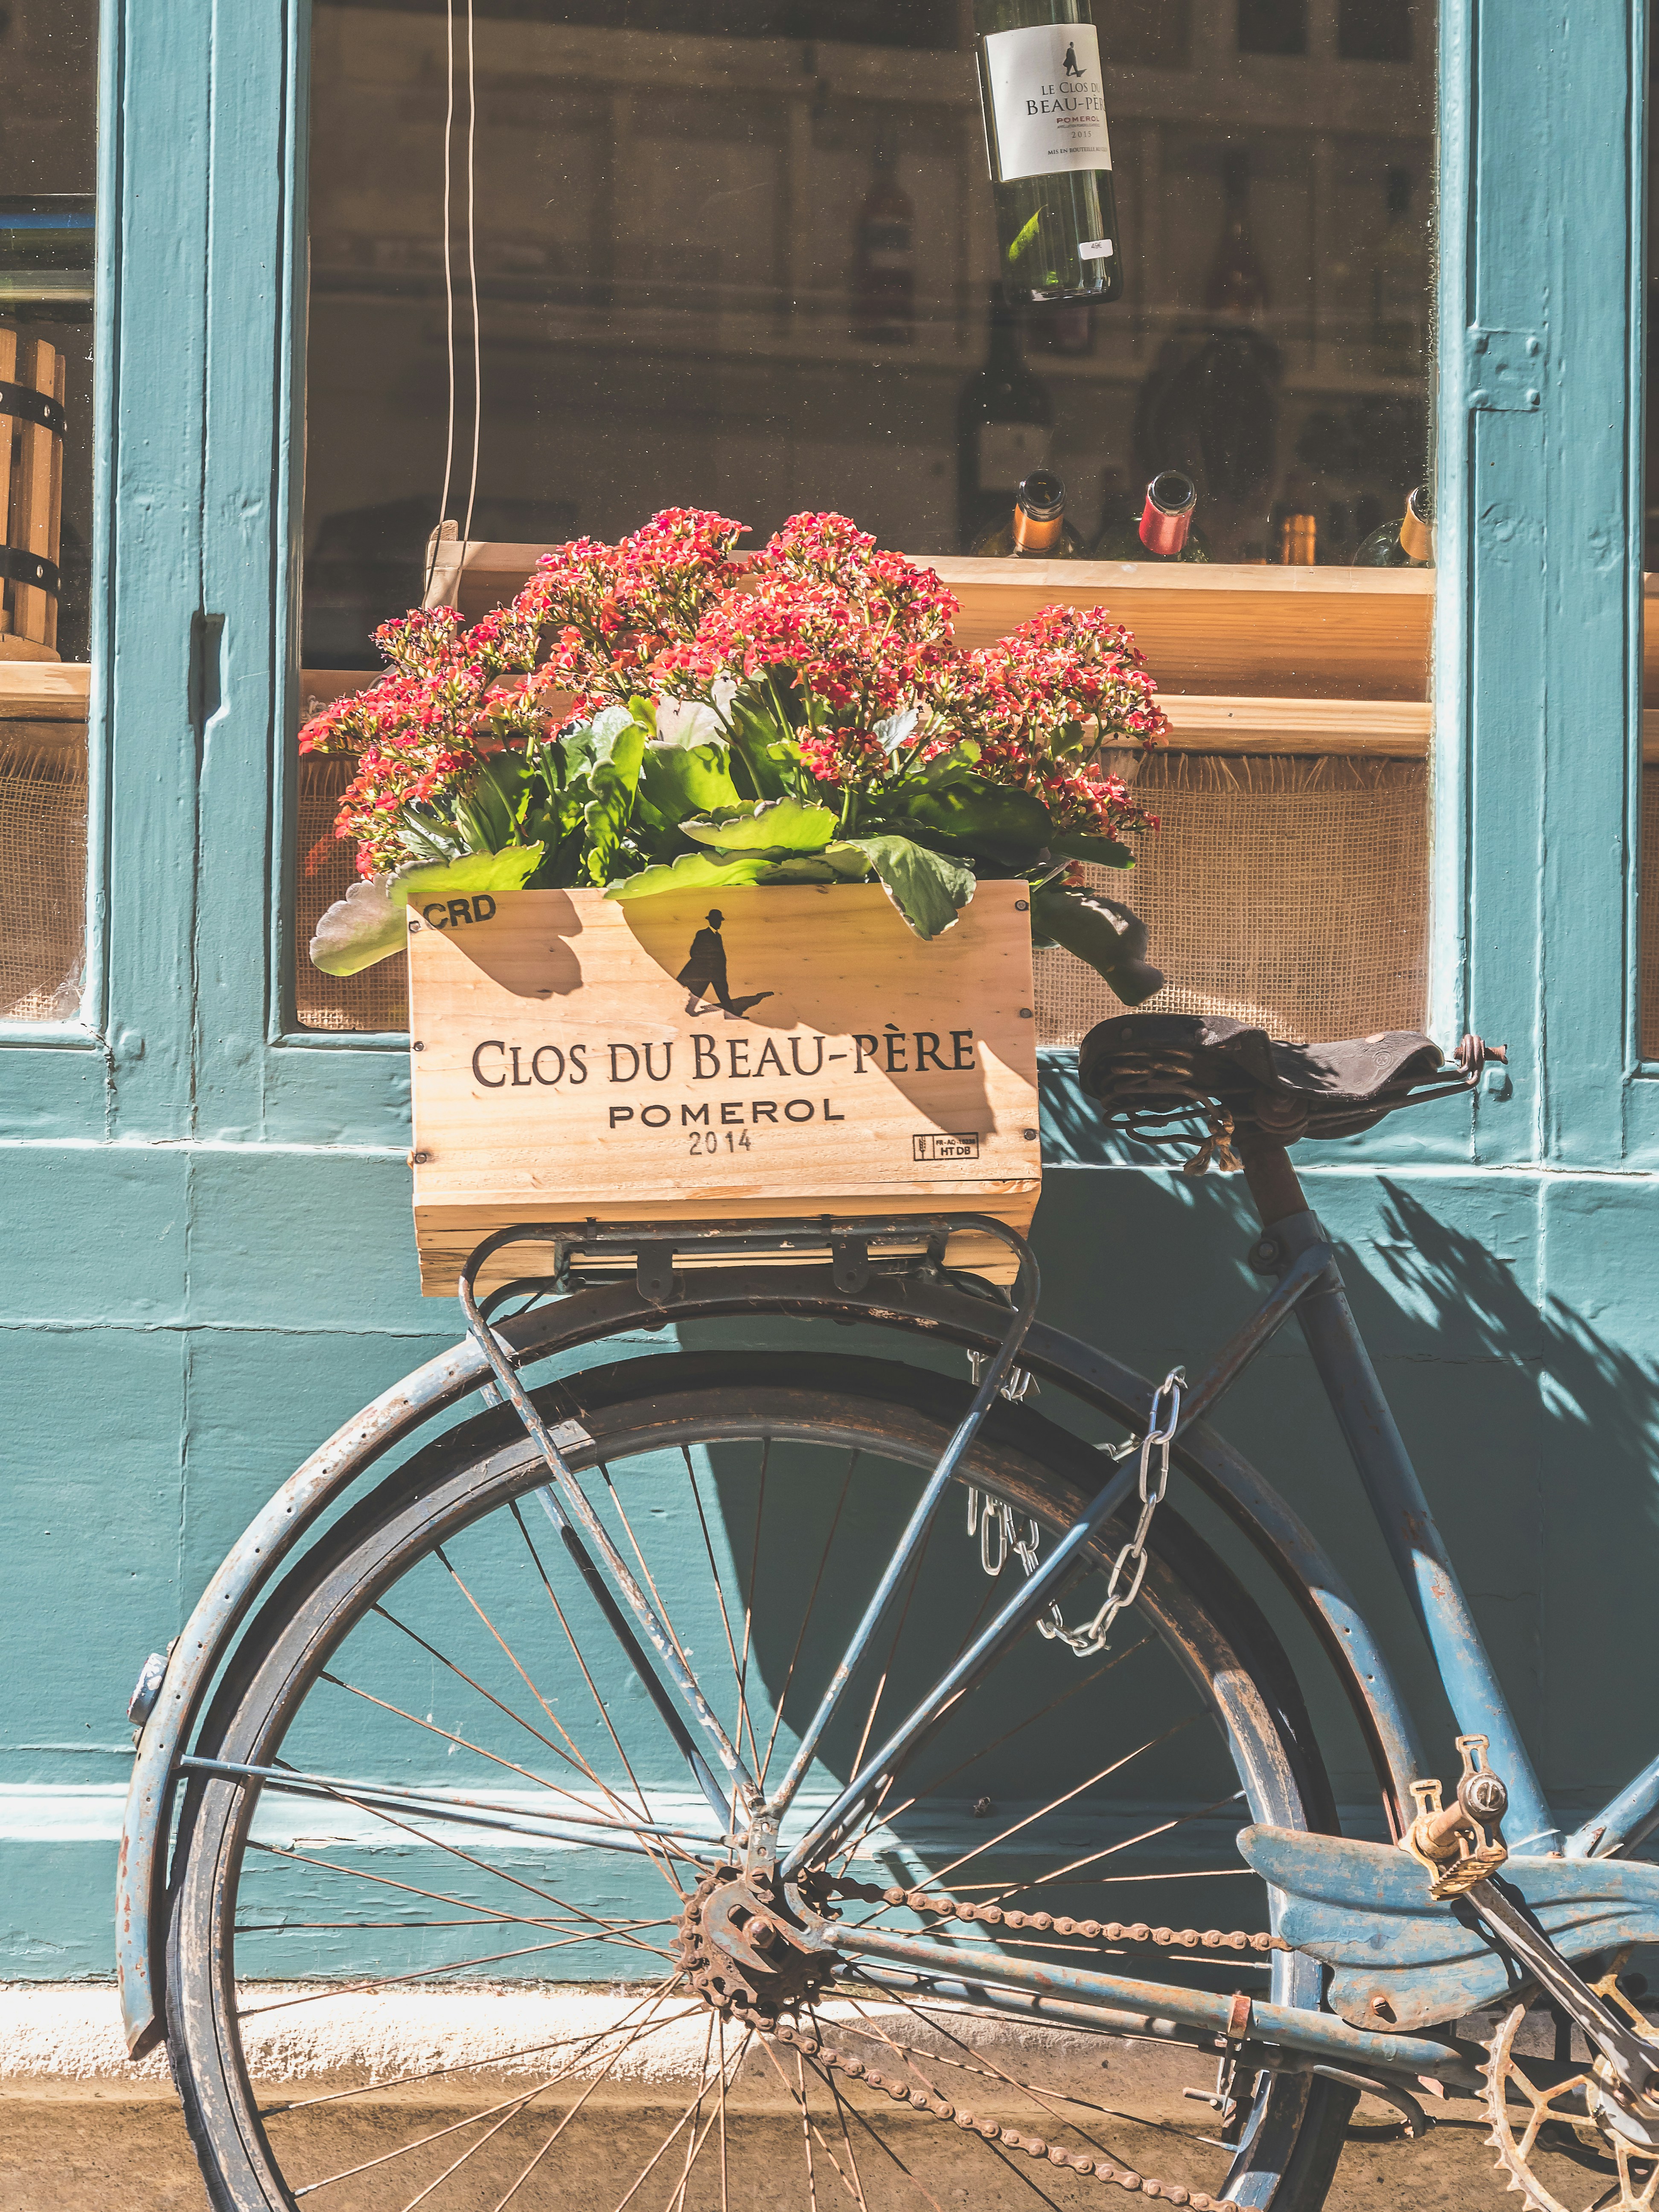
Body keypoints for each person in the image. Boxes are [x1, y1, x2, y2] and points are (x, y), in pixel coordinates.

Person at [678, 910, 772, 1019]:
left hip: (717, 972)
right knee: (698, 992)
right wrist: (708, 963)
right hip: (705, 972)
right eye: (718, 921)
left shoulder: (718, 936)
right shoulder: (702, 934)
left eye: (720, 921)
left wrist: (721, 969)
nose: (719, 924)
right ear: (711, 921)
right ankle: (691, 1009)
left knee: (723, 994)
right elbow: (694, 953)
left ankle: (730, 1014)